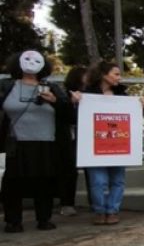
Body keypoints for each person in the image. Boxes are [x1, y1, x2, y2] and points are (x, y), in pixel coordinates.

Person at [0, 51, 70, 232]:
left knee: (44, 182)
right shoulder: (7, 86)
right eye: (27, 59)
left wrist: (55, 101)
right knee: (12, 184)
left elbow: (68, 115)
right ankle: (13, 221)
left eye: (36, 60)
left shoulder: (52, 88)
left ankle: (44, 219)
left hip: (46, 142)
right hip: (16, 142)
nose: (31, 64)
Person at [83, 61, 129, 225]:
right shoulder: (86, 95)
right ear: (104, 75)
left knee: (118, 180)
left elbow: (131, 116)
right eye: (116, 74)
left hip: (118, 145)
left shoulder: (122, 95)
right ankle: (99, 210)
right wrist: (75, 103)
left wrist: (141, 107)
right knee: (98, 181)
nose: (119, 77)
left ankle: (112, 210)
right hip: (95, 146)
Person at [58, 65, 87, 216]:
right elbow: (63, 115)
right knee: (69, 169)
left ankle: (95, 202)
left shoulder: (92, 93)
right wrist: (72, 102)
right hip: (69, 137)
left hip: (88, 138)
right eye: (85, 75)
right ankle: (67, 203)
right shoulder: (63, 94)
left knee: (91, 170)